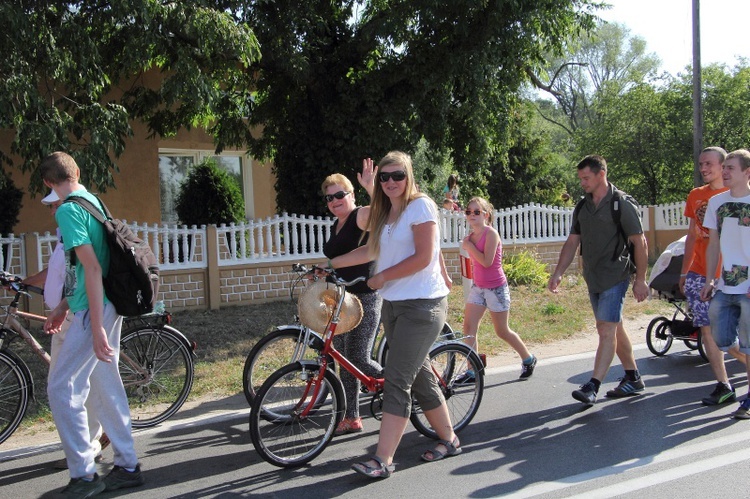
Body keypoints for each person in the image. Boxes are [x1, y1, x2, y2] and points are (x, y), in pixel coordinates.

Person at [330, 150, 458, 478]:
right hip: (393, 305)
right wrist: (330, 264)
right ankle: (449, 439)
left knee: (397, 379)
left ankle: (383, 459)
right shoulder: (387, 213)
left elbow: (424, 256)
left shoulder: (421, 206)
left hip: (423, 306)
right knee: (420, 378)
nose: (390, 182)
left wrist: (383, 276)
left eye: (397, 175)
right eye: (385, 177)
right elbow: (372, 249)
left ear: (409, 176)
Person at [40, 152, 144, 497]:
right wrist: (61, 308)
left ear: (47, 183)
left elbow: (93, 270)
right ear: (77, 172)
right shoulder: (91, 201)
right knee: (104, 382)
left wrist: (96, 327)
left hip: (92, 312)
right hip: (103, 305)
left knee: (61, 387)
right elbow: (89, 269)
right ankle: (128, 464)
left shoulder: (69, 210)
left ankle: (84, 474)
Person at [547, 155, 649, 405]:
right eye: (580, 178)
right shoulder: (583, 206)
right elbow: (573, 241)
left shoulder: (621, 203)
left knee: (605, 328)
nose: (582, 183)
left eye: (586, 178)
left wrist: (641, 280)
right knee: (614, 326)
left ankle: (593, 385)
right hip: (593, 277)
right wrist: (559, 272)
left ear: (601, 174)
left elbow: (639, 242)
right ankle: (633, 377)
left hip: (616, 274)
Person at [22, 190, 108, 469]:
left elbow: (80, 274)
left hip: (75, 316)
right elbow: (55, 272)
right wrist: (23, 282)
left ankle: (86, 451)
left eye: (54, 205)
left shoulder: (73, 227)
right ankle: (89, 446)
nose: (51, 212)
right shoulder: (63, 238)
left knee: (68, 386)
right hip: (69, 315)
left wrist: (63, 308)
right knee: (81, 384)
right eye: (50, 207)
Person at [680, 147, 745, 406]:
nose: (703, 168)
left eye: (708, 164)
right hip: (700, 272)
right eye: (700, 164)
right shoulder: (696, 196)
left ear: (724, 166)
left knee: (729, 337)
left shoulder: (736, 196)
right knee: (708, 331)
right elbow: (693, 236)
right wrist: (685, 271)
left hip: (732, 275)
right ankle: (724, 385)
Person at [321, 165, 383, 435]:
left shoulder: (361, 215)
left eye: (340, 195)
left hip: (365, 297)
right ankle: (352, 417)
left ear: (352, 195)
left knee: (358, 358)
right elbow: (336, 263)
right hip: (342, 299)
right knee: (344, 360)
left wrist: (372, 188)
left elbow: (383, 216)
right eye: (330, 198)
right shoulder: (337, 224)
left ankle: (409, 383)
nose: (335, 201)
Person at [460, 196, 537, 380]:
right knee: (468, 327)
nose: (472, 215)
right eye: (468, 212)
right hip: (478, 288)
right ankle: (473, 370)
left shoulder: (491, 234)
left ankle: (528, 359)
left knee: (501, 331)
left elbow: (486, 261)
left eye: (476, 211)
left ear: (486, 215)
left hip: (496, 288)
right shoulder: (470, 237)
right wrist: (469, 246)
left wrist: (469, 246)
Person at [700, 148, 750, 419]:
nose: (725, 172)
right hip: (725, 284)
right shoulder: (717, 203)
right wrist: (710, 278)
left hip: (749, 288)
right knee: (721, 339)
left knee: (749, 344)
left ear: (747, 172)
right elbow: (714, 244)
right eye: (726, 167)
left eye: (731, 168)